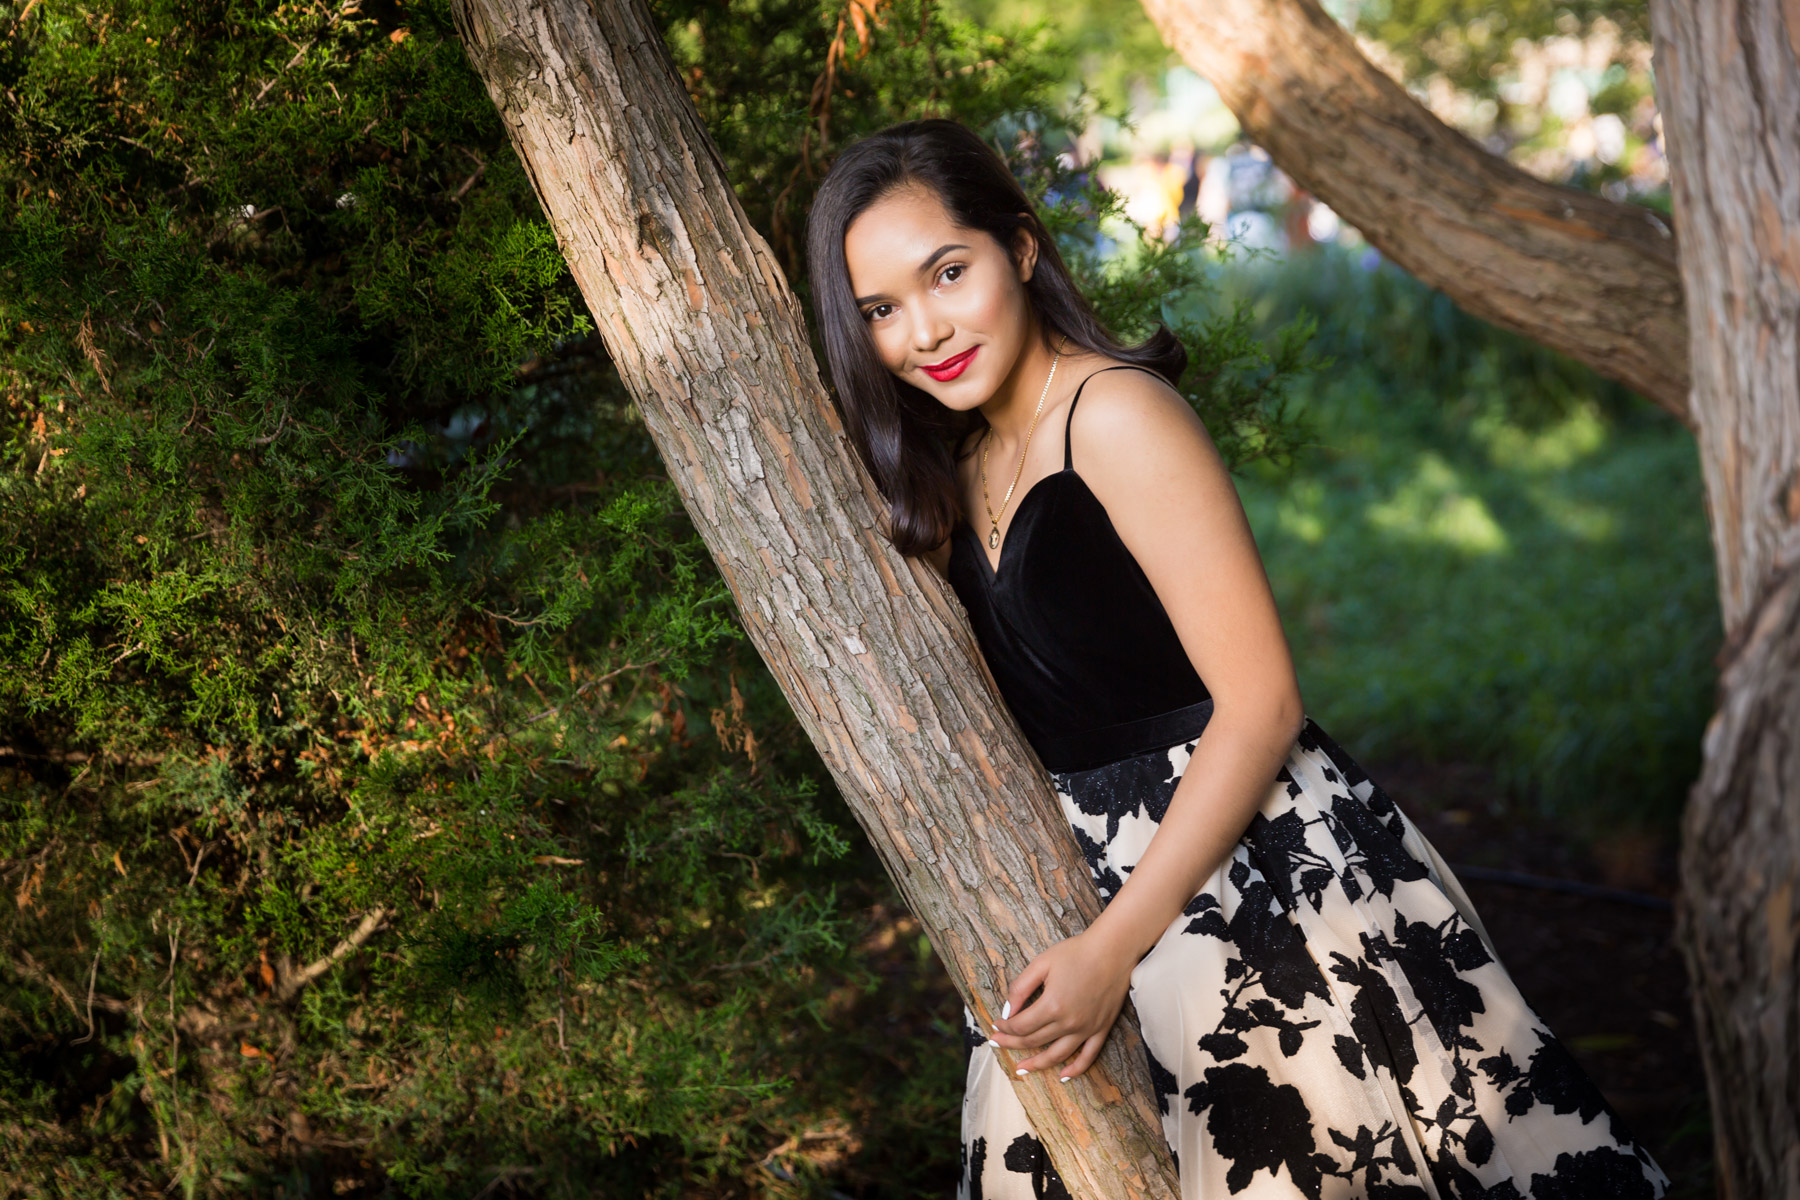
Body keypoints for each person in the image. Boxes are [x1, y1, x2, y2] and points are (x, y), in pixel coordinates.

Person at [804, 118, 1670, 1200]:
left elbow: (1261, 703)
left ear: (1020, 250)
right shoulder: (961, 462)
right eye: (881, 310)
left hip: (1246, 874)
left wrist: (1112, 947)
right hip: (1080, 893)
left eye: (947, 273)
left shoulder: (1116, 415)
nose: (923, 330)